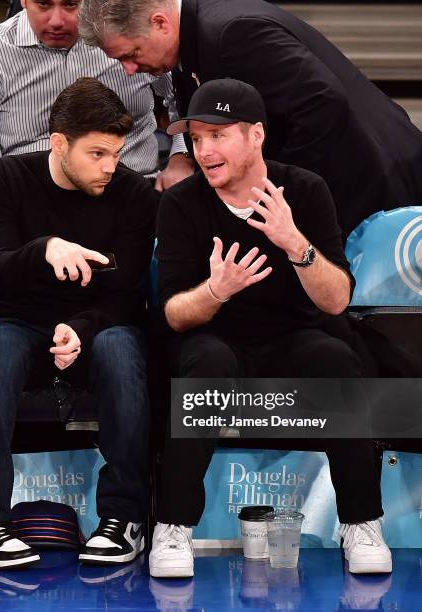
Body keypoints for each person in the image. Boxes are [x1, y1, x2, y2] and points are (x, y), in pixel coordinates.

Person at [146, 79, 392, 578]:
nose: (204, 150)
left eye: (218, 135)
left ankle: (361, 522)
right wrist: (216, 291)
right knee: (205, 362)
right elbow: (172, 313)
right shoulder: (181, 204)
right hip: (214, 339)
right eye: (196, 139)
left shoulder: (304, 189)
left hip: (292, 337)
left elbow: (337, 300)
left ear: (256, 134)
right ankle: (172, 527)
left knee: (337, 359)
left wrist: (294, 243)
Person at [0, 77, 156, 569]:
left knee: (123, 348)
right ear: (59, 143)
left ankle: (124, 518)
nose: (111, 167)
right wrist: (46, 248)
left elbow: (128, 292)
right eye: (97, 154)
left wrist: (81, 328)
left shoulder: (133, 193)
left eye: (116, 152)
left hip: (100, 325)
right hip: (18, 321)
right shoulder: (6, 178)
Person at [78, 0, 422, 238]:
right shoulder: (195, 36)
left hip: (371, 182)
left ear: (160, 23)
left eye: (132, 54)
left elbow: (321, 105)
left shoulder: (232, 33)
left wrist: (275, 194)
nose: (129, 69)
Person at [0, 0, 194, 198]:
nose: (56, 21)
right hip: (32, 208)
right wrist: (16, 199)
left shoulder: (129, 35)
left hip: (141, 195)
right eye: (43, 4)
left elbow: (183, 102)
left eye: (71, 4)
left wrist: (182, 158)